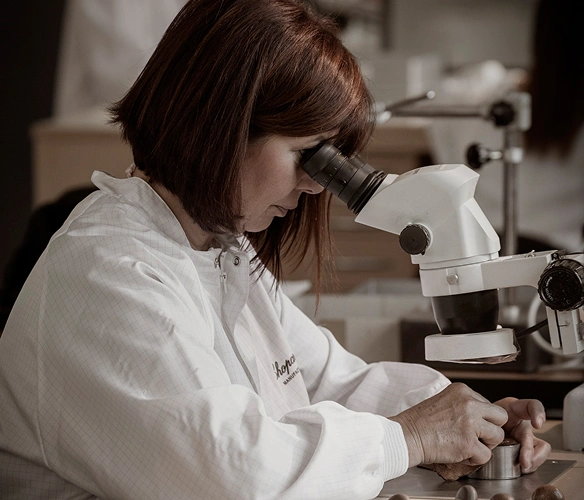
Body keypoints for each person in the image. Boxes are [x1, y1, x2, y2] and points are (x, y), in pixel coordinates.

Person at [0, 1, 550, 499]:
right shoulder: (108, 274)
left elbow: (326, 380)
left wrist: (465, 418)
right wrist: (410, 438)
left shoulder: (219, 249)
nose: (315, 186)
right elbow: (235, 476)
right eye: (307, 155)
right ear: (221, 126)